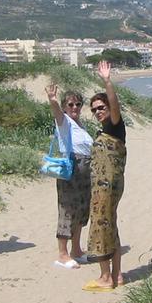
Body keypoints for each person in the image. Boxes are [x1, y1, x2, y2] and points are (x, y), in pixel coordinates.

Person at [83, 60, 127, 292]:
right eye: (94, 109)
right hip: (112, 186)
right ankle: (117, 275)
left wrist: (107, 81)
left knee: (100, 225)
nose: (98, 111)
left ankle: (104, 277)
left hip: (106, 187)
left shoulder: (115, 125)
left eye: (101, 107)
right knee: (111, 225)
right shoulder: (106, 130)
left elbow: (114, 103)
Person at [45, 85, 93, 269]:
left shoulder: (80, 124)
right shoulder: (63, 120)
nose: (75, 108)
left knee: (81, 209)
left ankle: (76, 250)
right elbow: (56, 112)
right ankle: (63, 254)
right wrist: (53, 100)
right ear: (65, 106)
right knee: (67, 209)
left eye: (78, 104)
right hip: (72, 168)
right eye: (71, 104)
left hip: (85, 169)